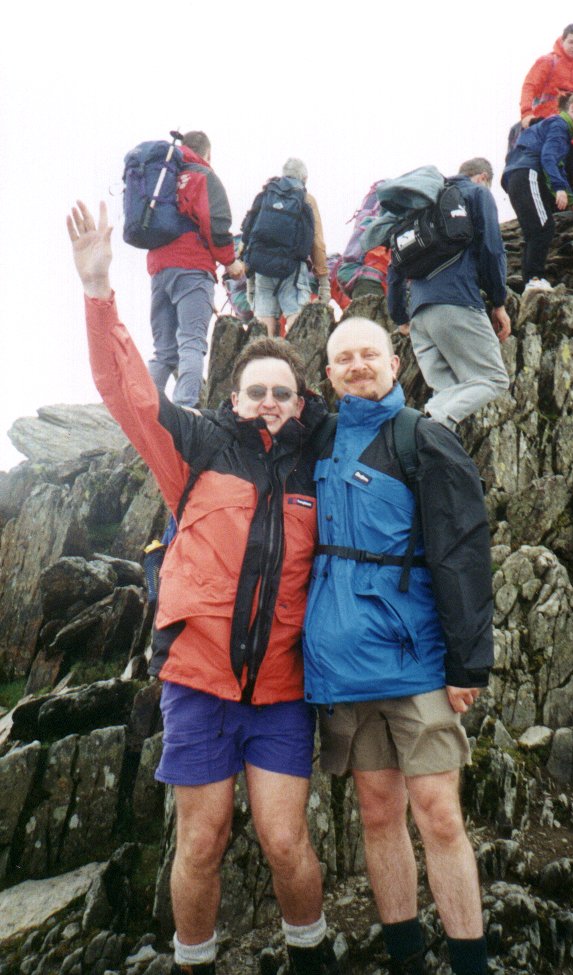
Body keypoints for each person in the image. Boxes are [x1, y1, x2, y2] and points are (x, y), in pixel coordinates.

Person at [67, 201, 338, 975]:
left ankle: (312, 957)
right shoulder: (196, 449)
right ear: (234, 395)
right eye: (256, 391)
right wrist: (97, 288)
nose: (269, 403)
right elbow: (125, 389)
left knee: (287, 841)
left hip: (283, 689)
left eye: (283, 392)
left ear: (299, 401)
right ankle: (195, 963)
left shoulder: (317, 465)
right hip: (198, 683)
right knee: (202, 838)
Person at [303, 316, 495, 975]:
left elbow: (463, 552)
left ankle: (471, 963)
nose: (357, 365)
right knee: (377, 813)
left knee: (439, 815)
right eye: (343, 357)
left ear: (395, 363)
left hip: (416, 666)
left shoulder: (424, 439)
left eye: (369, 354)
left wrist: (468, 662)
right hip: (341, 671)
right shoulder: (317, 441)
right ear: (327, 374)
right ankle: (406, 959)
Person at [386, 157, 511, 430]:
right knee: (493, 379)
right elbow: (492, 249)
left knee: (446, 394)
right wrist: (499, 302)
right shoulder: (477, 193)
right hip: (457, 301)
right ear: (481, 177)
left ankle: (429, 447)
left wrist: (400, 316)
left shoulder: (424, 204)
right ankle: (425, 428)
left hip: (420, 314)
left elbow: (395, 263)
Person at [146, 130, 244, 408]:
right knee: (191, 342)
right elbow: (216, 226)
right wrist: (230, 262)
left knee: (163, 351)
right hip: (191, 269)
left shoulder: (163, 174)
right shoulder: (203, 175)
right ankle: (185, 410)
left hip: (159, 269)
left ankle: (147, 410)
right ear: (207, 153)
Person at [503, 92, 573, 290]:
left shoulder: (560, 129)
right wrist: (559, 189)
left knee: (534, 231)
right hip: (528, 173)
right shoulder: (559, 125)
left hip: (516, 177)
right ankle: (535, 278)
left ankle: (530, 282)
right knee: (544, 226)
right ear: (572, 108)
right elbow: (548, 158)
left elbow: (558, 165)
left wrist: (571, 201)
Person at [245, 158, 329, 337]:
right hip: (291, 271)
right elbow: (317, 242)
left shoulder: (266, 194)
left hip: (262, 269)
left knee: (264, 325)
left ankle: (263, 359)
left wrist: (246, 269)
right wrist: (323, 281)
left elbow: (248, 231)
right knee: (295, 321)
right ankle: (296, 361)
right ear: (304, 178)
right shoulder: (306, 199)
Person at [520, 24, 573, 129]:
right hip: (545, 120)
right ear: (562, 41)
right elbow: (529, 86)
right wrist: (526, 113)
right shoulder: (548, 61)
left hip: (571, 124)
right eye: (571, 42)